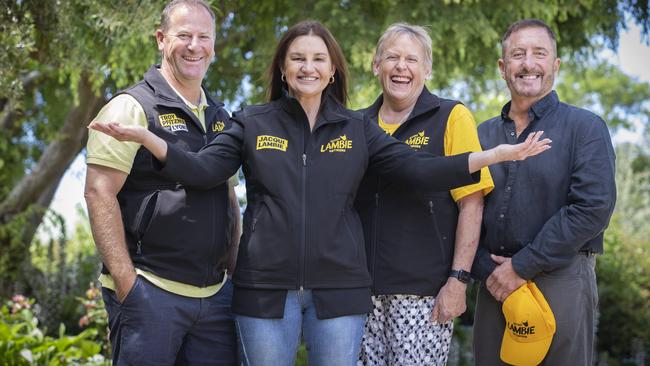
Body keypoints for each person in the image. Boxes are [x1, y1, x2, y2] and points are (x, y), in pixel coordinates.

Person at [90, 20, 550, 366]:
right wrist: (151, 140)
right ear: (284, 70)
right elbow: (205, 169)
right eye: (297, 59)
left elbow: (420, 170)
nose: (307, 67)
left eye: (317, 59)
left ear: (332, 70)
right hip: (265, 293)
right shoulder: (252, 121)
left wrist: (494, 156)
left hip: (339, 295)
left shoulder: (358, 129)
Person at [83, 1, 239, 364]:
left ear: (214, 46)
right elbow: (97, 192)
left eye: (204, 37)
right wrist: (128, 285)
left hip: (215, 298)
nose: (194, 46)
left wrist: (233, 271)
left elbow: (229, 196)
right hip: (150, 294)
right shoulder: (132, 107)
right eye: (183, 35)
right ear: (160, 39)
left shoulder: (221, 117)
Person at [471, 19, 616, 365]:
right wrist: (486, 270)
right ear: (503, 67)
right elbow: (463, 208)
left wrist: (521, 266)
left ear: (555, 65)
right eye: (518, 54)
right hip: (494, 282)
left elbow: (593, 208)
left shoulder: (586, 127)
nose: (528, 63)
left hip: (561, 278)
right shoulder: (481, 135)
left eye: (539, 53)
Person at [355, 23, 494, 366]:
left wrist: (458, 280)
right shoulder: (355, 125)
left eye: (412, 59)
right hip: (358, 294)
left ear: (427, 69)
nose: (402, 67)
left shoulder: (451, 116)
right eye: (392, 57)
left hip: (424, 295)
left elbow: (472, 203)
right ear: (376, 65)